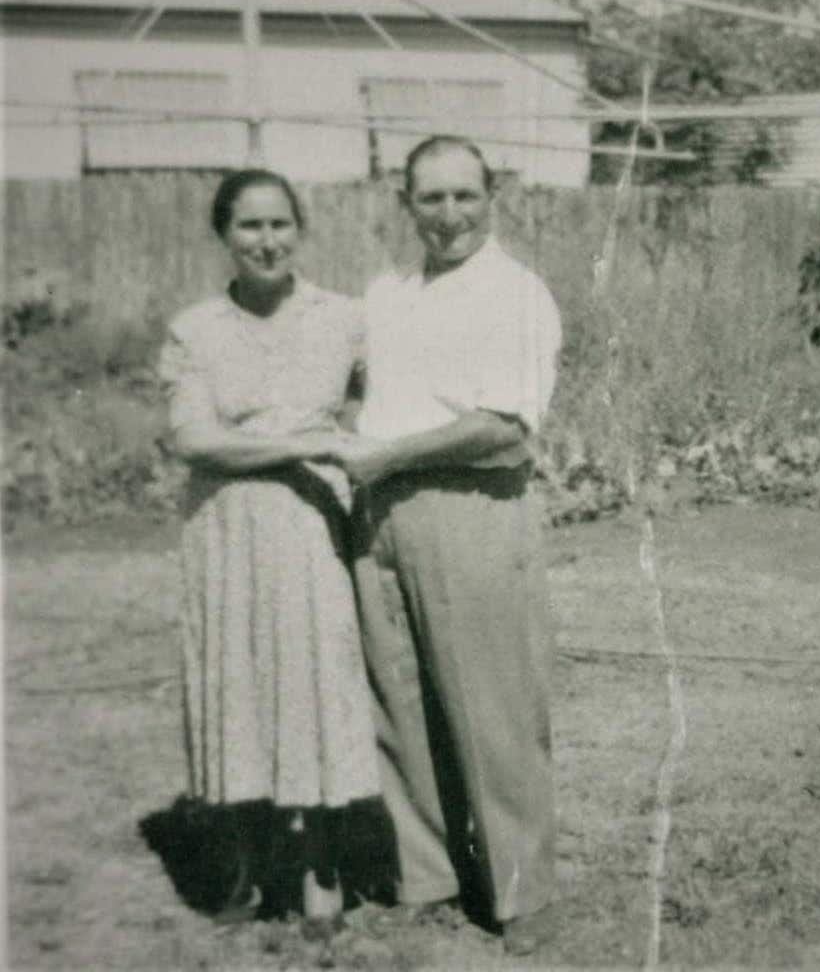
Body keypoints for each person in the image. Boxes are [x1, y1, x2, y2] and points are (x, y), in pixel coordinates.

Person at [343, 136, 563, 956]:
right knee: (398, 700)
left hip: (469, 511)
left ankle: (521, 891)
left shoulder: (515, 294)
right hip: (381, 515)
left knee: (493, 707)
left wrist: (384, 455)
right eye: (431, 199)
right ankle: (426, 877)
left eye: (464, 197)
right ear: (406, 204)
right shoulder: (387, 293)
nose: (449, 216)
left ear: (492, 195)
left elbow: (502, 430)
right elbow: (364, 393)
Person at [158, 169, 380, 937]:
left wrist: (340, 448)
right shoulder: (198, 329)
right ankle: (247, 861)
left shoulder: (344, 318)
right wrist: (302, 443)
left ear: (301, 229)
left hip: (312, 525)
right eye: (249, 226)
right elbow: (194, 439)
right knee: (241, 679)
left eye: (280, 224)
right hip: (228, 528)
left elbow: (367, 411)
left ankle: (320, 868)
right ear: (224, 234)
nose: (267, 241)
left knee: (314, 680)